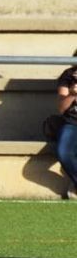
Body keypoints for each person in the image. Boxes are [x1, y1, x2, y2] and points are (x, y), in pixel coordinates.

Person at [55, 52, 77, 197]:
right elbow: (62, 109)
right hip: (73, 122)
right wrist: (73, 94)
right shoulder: (68, 75)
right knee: (64, 152)